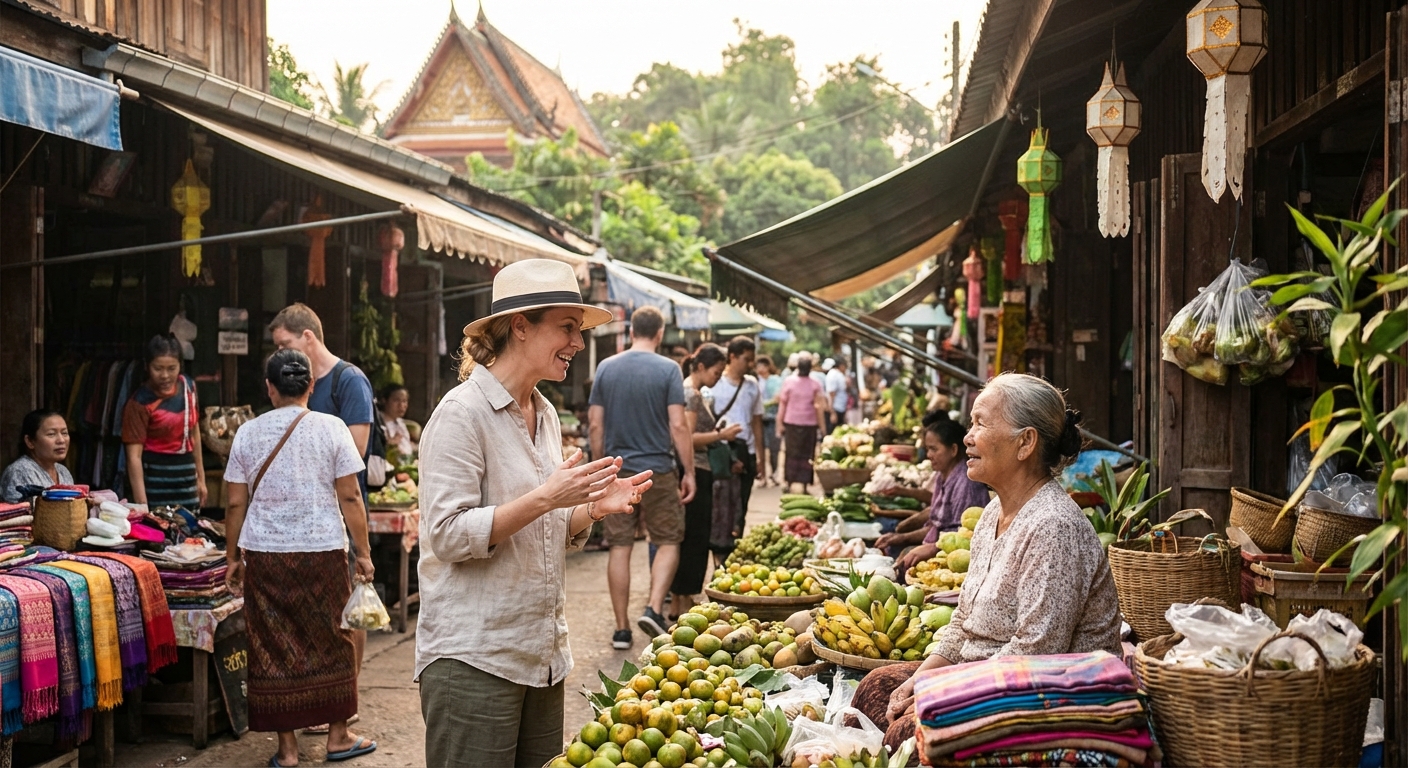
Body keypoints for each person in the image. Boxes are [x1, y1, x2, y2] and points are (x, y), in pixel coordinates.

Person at [415, 259, 651, 768]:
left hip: (540, 654)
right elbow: (447, 536)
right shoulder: (461, 415)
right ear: (520, 327)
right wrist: (547, 496)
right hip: (476, 656)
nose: (578, 343)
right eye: (567, 328)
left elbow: (541, 528)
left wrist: (588, 509)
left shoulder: (541, 413)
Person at [849, 373, 1122, 753]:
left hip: (1053, 691)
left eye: (981, 423)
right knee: (876, 689)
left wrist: (946, 688)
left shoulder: (1054, 526)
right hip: (987, 672)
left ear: (1025, 442)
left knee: (908, 734)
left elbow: (1036, 652)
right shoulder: (992, 513)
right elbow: (964, 621)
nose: (967, 437)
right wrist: (924, 677)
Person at [223, 349, 377, 767]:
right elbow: (350, 496)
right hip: (323, 550)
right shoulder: (333, 429)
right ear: (311, 386)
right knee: (333, 638)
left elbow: (235, 504)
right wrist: (363, 553)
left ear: (269, 388)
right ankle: (338, 736)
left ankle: (288, 751)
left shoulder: (248, 433)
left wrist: (231, 556)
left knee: (271, 643)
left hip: (266, 553)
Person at [269, 302, 376, 724]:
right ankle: (322, 698)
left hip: (340, 518)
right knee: (316, 617)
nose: (280, 353)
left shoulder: (348, 381)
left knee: (350, 611)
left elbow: (357, 452)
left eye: (285, 343)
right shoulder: (301, 386)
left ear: (308, 338)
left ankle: (345, 700)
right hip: (304, 522)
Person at [589, 306, 696, 649]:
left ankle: (621, 629)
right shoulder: (669, 369)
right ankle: (653, 607)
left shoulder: (606, 367)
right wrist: (689, 470)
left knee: (619, 546)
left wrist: (599, 470)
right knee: (667, 539)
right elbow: (678, 424)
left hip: (616, 472)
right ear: (660, 333)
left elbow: (595, 423)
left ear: (632, 330)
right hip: (659, 471)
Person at [669, 344, 741, 618]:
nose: (718, 377)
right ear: (700, 367)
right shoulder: (691, 394)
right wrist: (721, 436)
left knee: (690, 538)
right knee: (694, 539)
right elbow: (686, 436)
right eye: (716, 371)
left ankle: (681, 601)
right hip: (696, 471)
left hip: (697, 470)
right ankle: (682, 601)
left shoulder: (690, 392)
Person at [875, 410, 990, 571]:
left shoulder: (966, 483)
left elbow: (962, 537)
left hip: (954, 559)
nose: (928, 455)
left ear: (953, 450)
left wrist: (933, 547)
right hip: (937, 546)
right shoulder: (942, 476)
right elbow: (936, 527)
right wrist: (900, 537)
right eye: (927, 449)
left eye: (934, 449)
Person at [122, 334, 206, 509]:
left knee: (191, 532)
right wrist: (141, 503)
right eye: (158, 368)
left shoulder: (188, 387)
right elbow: (134, 457)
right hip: (154, 482)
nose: (165, 375)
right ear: (147, 367)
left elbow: (194, 432)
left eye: (172, 368)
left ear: (180, 366)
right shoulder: (139, 402)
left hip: (187, 480)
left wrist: (201, 478)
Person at [708, 336, 764, 538]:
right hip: (722, 452)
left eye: (752, 360)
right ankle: (720, 549)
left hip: (746, 450)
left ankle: (735, 544)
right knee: (722, 504)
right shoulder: (715, 383)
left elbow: (757, 421)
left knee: (742, 502)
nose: (750, 364)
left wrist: (760, 457)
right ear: (732, 356)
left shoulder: (752, 385)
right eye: (746, 359)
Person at [776, 357, 827, 493]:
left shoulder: (813, 384)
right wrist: (779, 423)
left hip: (805, 424)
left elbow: (818, 407)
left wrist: (822, 427)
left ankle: (801, 484)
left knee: (805, 454)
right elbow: (783, 403)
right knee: (796, 453)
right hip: (795, 423)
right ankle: (791, 482)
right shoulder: (795, 382)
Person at [0, 410, 73, 502]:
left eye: (64, 433)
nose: (61, 440)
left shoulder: (63, 471)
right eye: (51, 434)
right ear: (30, 441)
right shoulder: (19, 472)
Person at [755, 356, 783, 487]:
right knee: (760, 450)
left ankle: (775, 473)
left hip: (772, 418)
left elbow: (778, 398)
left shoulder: (775, 380)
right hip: (758, 419)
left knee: (774, 449)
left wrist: (761, 405)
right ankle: (763, 476)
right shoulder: (755, 381)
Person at [376, 384, 417, 461]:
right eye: (396, 400)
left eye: (404, 401)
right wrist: (390, 444)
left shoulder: (400, 422)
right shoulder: (378, 422)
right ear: (384, 400)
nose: (401, 405)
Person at [825, 357, 854, 430]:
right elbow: (831, 394)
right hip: (836, 408)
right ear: (841, 365)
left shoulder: (839, 374)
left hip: (840, 408)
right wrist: (832, 413)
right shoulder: (833, 375)